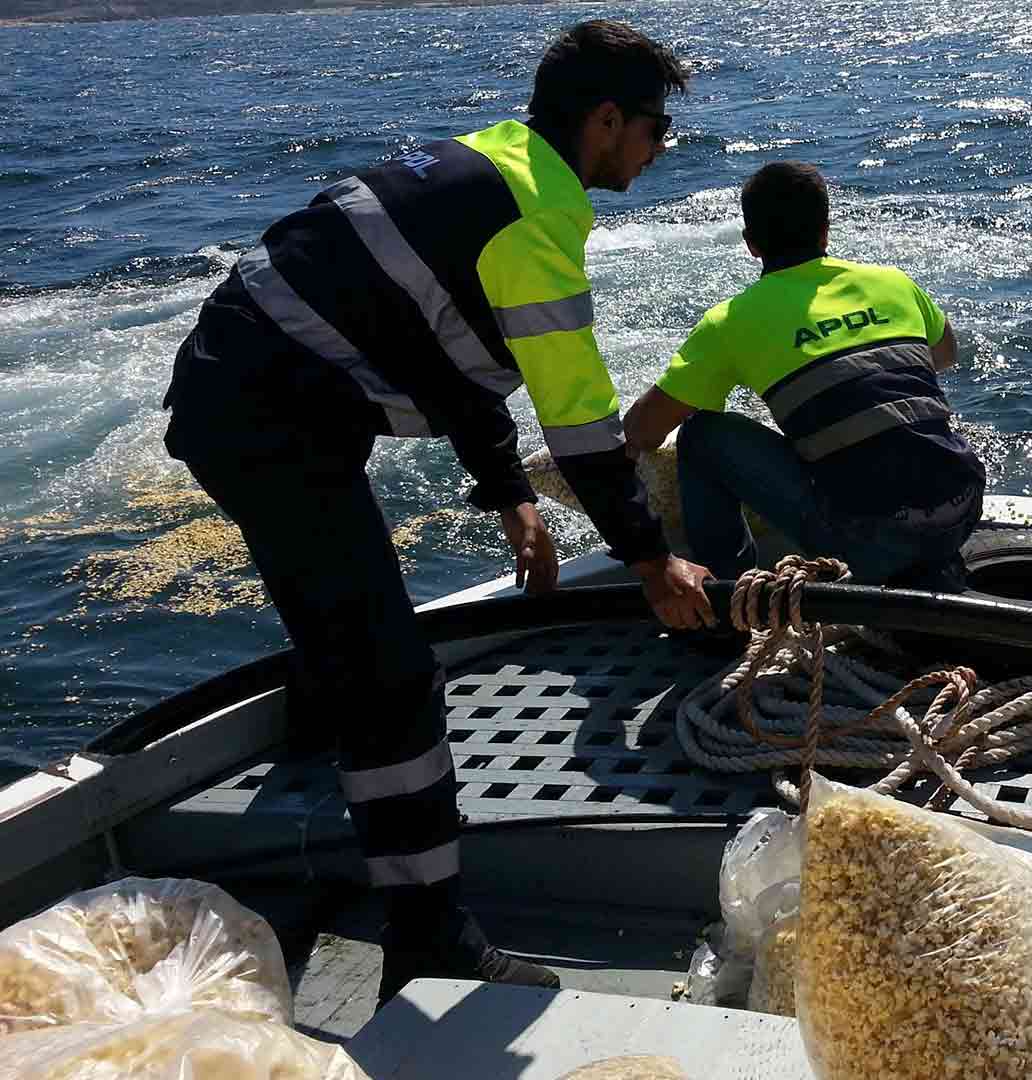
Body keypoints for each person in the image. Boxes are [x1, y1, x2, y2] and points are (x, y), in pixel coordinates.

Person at [159, 20, 717, 1004]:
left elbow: (448, 356)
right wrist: (650, 560)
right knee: (393, 677)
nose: (660, 148)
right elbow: (587, 431)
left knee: (348, 632)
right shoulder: (535, 225)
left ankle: (335, 767)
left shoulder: (488, 168)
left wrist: (508, 495)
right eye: (655, 128)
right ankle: (427, 936)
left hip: (245, 391)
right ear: (603, 121)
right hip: (269, 419)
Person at [624, 162, 985, 592]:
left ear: (751, 245)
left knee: (702, 434)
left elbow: (644, 429)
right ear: (825, 230)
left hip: (870, 539)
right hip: (964, 507)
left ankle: (729, 595)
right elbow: (943, 356)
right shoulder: (893, 283)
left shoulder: (730, 322)